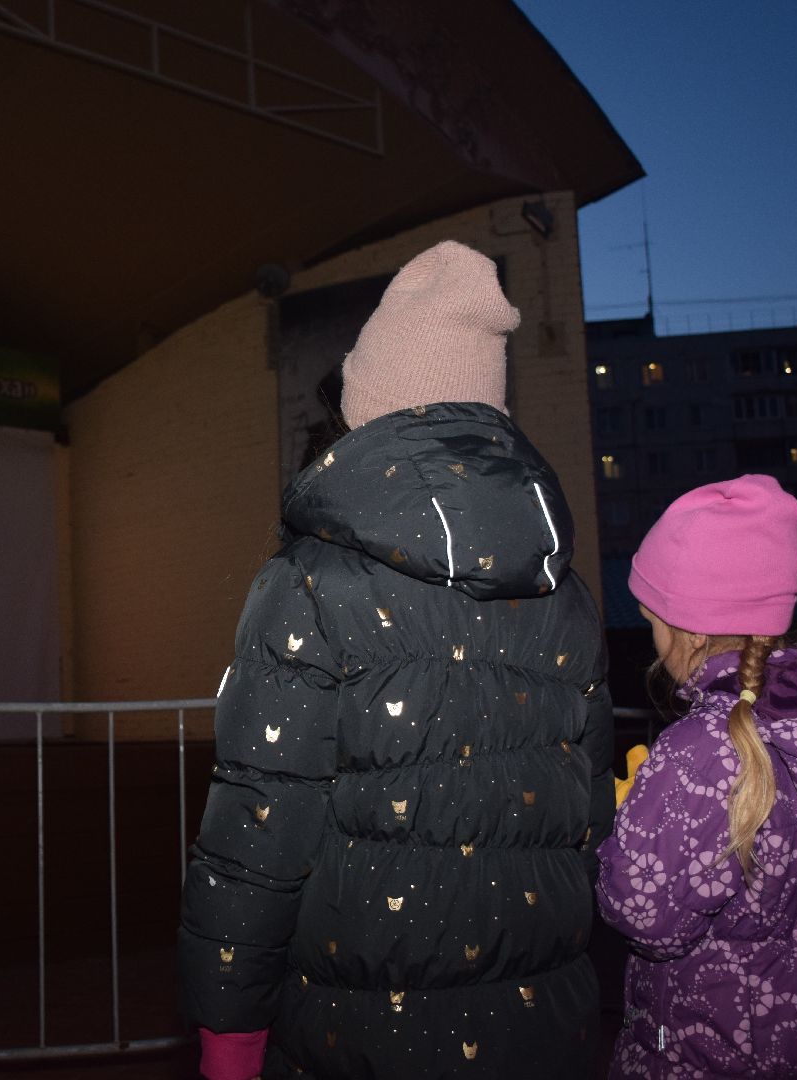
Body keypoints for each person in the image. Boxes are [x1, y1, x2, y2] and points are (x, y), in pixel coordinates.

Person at [178, 241, 613, 1079]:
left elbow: (261, 829)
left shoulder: (308, 584)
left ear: (370, 402)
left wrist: (227, 1026)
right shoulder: (567, 595)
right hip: (543, 1029)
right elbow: (586, 829)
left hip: (361, 1035)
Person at [597, 475, 797, 1078]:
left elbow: (643, 913)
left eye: (652, 619)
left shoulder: (700, 750)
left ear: (690, 626)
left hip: (710, 1057)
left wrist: (631, 817)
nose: (653, 641)